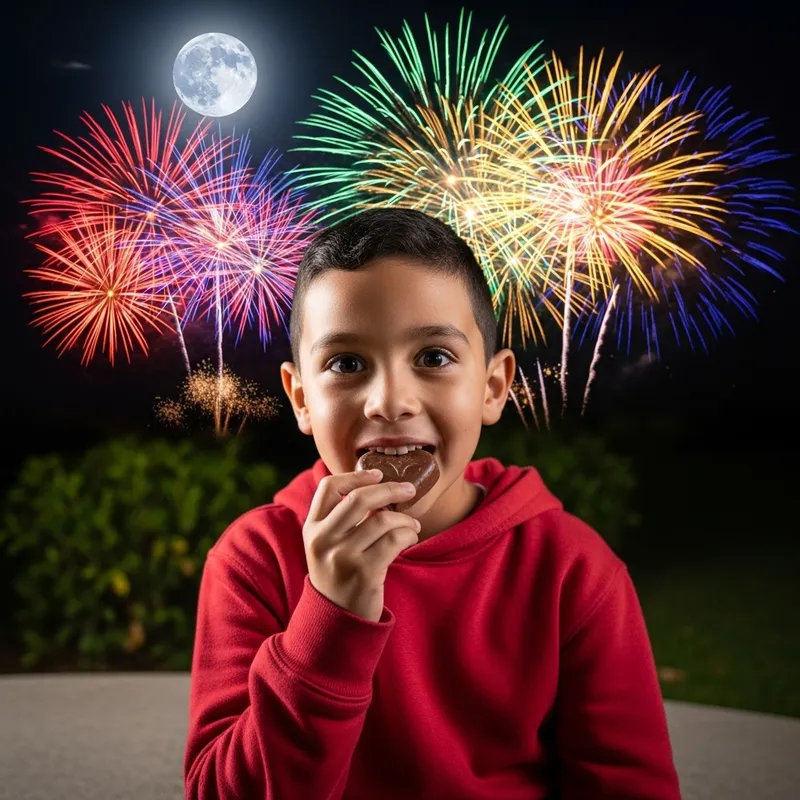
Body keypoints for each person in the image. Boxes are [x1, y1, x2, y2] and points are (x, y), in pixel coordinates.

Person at [185, 208, 682, 799]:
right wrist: (330, 619)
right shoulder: (254, 559)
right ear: (301, 400)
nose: (390, 401)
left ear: (493, 387)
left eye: (433, 357)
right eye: (346, 364)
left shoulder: (571, 569)